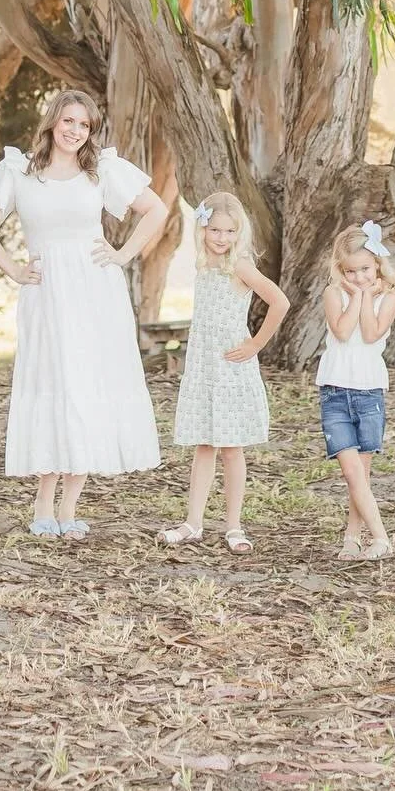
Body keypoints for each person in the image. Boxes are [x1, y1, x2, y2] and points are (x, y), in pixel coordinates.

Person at [0, 89, 167, 539]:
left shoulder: (101, 171)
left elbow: (156, 209)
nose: (76, 131)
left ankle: (71, 505)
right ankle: (43, 501)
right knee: (52, 385)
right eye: (69, 121)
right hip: (46, 293)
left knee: (85, 387)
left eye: (84, 124)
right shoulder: (19, 172)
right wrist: (14, 269)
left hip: (95, 291)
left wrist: (123, 254)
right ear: (52, 122)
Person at [159, 192, 288, 555]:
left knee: (231, 448)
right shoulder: (203, 264)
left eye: (229, 231)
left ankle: (233, 525)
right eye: (215, 230)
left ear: (238, 233)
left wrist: (256, 344)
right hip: (204, 366)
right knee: (204, 445)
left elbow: (280, 301)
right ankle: (193, 522)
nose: (221, 237)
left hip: (230, 367)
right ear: (202, 229)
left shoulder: (240, 266)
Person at [316, 220, 395, 563]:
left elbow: (371, 334)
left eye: (365, 270)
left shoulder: (390, 297)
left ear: (378, 265)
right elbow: (342, 332)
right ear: (340, 270)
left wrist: (367, 298)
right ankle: (382, 538)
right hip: (335, 391)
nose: (359, 277)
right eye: (351, 271)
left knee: (362, 475)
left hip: (369, 392)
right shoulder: (333, 294)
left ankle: (353, 538)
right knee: (351, 472)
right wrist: (358, 296)